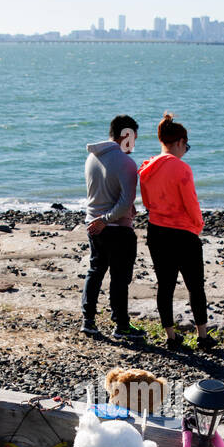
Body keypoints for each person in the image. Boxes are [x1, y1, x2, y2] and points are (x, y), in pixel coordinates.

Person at [138, 113, 214, 352]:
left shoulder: (146, 168)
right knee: (195, 285)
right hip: (182, 233)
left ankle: (171, 337)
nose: (185, 150)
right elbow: (191, 202)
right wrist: (198, 225)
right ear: (180, 141)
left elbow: (148, 203)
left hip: (157, 231)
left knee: (165, 285)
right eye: (186, 145)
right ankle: (202, 336)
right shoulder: (181, 168)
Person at [82, 114, 144, 340]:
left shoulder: (92, 158)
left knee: (95, 271)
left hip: (93, 225)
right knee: (120, 278)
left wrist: (99, 220)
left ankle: (88, 321)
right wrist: (107, 219)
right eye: (133, 138)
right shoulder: (126, 163)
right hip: (116, 228)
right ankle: (121, 326)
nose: (134, 144)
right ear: (125, 135)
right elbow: (124, 202)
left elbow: (102, 193)